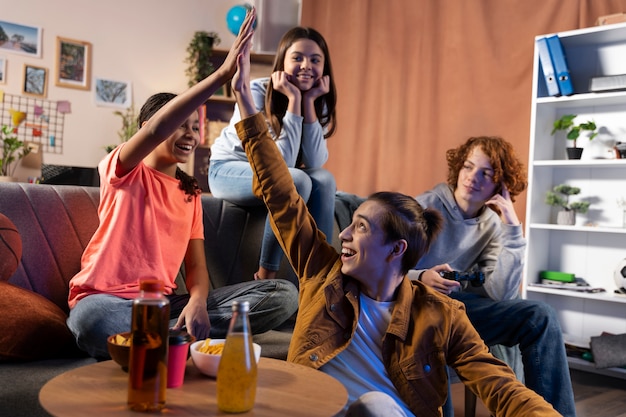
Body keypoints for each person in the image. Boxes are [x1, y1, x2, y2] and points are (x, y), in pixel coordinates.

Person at [230, 36, 561, 417]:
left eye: (361, 227)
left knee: (377, 406)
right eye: (350, 225)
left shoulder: (440, 314)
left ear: (396, 249)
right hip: (323, 410)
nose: (343, 235)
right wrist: (243, 98)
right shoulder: (323, 273)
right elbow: (282, 196)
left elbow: (499, 385)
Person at [66, 8, 298, 360]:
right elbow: (157, 129)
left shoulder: (190, 195)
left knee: (282, 294)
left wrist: (198, 303)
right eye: (182, 124)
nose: (190, 134)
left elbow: (197, 269)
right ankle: (174, 341)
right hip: (107, 301)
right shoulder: (122, 170)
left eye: (195, 127)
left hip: (165, 306)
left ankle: (162, 338)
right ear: (151, 123)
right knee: (90, 320)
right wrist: (222, 74)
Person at [410, 136, 576, 417]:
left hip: (458, 306)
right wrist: (420, 276)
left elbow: (500, 293)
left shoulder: (491, 225)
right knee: (434, 327)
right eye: (468, 166)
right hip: (413, 301)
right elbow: (383, 262)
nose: (472, 178)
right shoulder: (423, 207)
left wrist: (512, 227)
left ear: (501, 184)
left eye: (485, 173)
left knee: (540, 314)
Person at [209, 26, 337, 280]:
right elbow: (280, 165)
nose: (306, 65)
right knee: (295, 178)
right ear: (282, 62)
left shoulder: (316, 98)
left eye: (315, 60)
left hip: (273, 176)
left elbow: (314, 161)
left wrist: (308, 103)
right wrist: (294, 101)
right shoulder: (259, 91)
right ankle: (266, 272)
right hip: (228, 170)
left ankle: (320, 275)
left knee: (324, 179)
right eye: (297, 58)